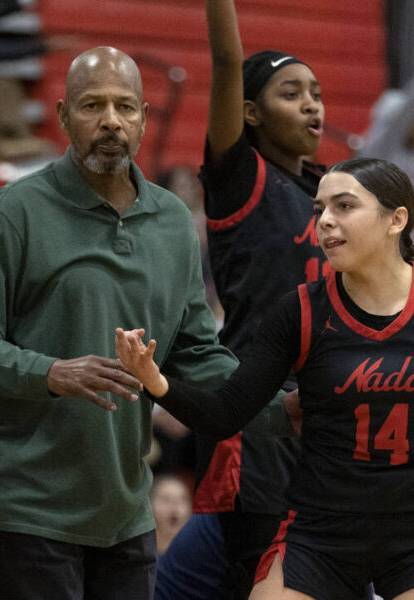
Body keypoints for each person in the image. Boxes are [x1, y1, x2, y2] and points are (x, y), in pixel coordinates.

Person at [0, 46, 294, 600]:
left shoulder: (173, 222)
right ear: (61, 117)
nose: (111, 120)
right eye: (92, 105)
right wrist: (51, 373)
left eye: (126, 107)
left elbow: (195, 352)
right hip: (20, 503)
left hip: (125, 506)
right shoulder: (14, 213)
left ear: (144, 119)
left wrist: (274, 407)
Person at [116, 157, 414, 600]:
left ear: (397, 220)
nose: (326, 221)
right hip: (319, 534)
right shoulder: (299, 310)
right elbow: (226, 414)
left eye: (344, 206)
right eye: (319, 210)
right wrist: (157, 382)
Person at [153, 2, 330, 598]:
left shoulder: (334, 194)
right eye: (291, 93)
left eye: (316, 92)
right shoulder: (241, 178)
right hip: (257, 420)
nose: (312, 104)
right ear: (251, 112)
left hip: (324, 416)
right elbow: (228, 61)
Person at [150, 475, 191, 558]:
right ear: (149, 506)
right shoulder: (139, 555)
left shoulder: (199, 553)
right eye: (166, 499)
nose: (175, 506)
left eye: (182, 499)